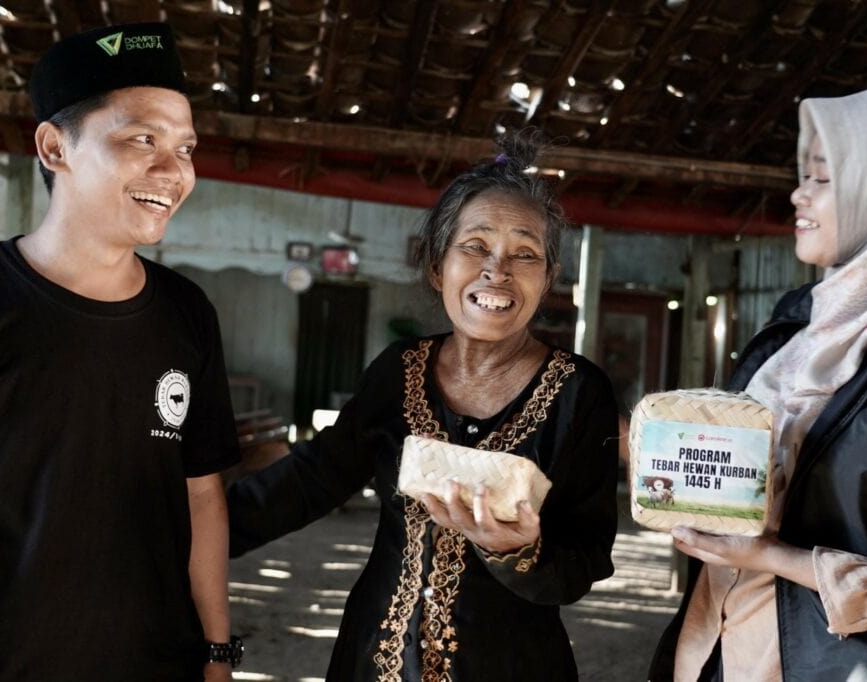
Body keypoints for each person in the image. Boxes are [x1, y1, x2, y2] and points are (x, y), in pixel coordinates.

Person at [226, 134, 619, 681]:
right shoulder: (398, 370)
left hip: (510, 666)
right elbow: (309, 481)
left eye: (524, 253)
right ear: (437, 267)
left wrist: (520, 551)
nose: (497, 269)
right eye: (475, 246)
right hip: (376, 660)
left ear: (548, 279)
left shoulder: (581, 394)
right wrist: (178, 533)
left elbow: (585, 560)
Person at [650, 86, 867, 681]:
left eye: (821, 179)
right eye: (803, 176)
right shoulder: (796, 327)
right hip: (720, 650)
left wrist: (773, 557)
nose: (797, 193)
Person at [0, 24, 242, 681]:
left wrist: (215, 652)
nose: (173, 170)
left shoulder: (186, 314)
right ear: (54, 146)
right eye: (141, 138)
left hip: (156, 663)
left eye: (184, 147)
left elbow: (201, 493)